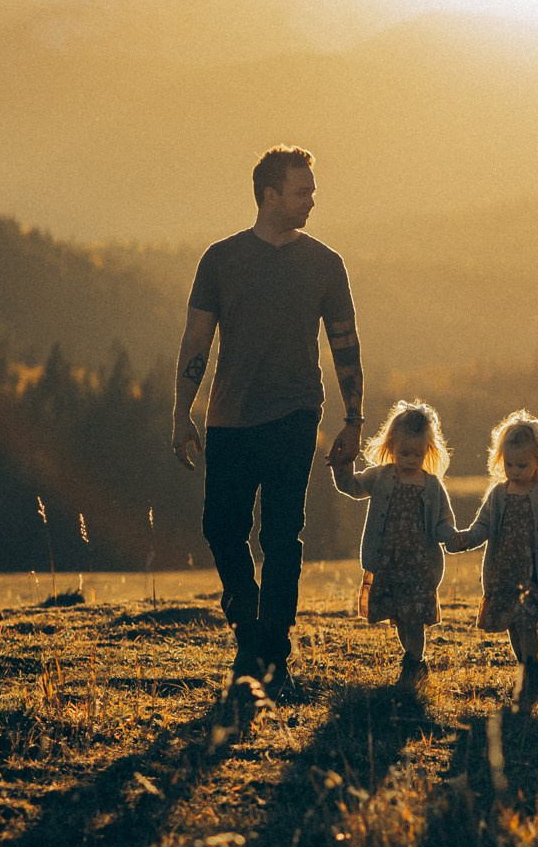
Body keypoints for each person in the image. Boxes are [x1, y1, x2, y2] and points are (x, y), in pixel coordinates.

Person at [172, 145, 364, 697]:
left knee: (282, 533)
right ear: (269, 195)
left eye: (312, 191)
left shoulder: (326, 264)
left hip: (295, 413)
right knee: (221, 528)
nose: (312, 201)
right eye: (302, 191)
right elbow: (196, 341)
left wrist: (354, 418)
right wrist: (181, 412)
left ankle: (270, 652)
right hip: (229, 418)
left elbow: (345, 343)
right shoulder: (221, 259)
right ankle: (248, 626)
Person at [449, 411, 538, 711]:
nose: (514, 471)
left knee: (526, 623)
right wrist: (465, 539)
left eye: (522, 465)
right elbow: (483, 526)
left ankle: (531, 675)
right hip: (504, 574)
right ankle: (523, 666)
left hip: (534, 575)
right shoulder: (498, 493)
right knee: (512, 623)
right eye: (509, 464)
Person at [330, 400, 458, 690]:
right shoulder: (381, 476)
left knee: (414, 618)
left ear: (428, 450)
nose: (411, 459)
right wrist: (341, 466)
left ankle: (413, 664)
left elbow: (442, 522)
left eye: (418, 454)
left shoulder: (432, 485)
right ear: (391, 446)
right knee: (400, 617)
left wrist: (453, 536)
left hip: (420, 566)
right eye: (405, 453)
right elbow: (352, 487)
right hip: (388, 562)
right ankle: (415, 663)